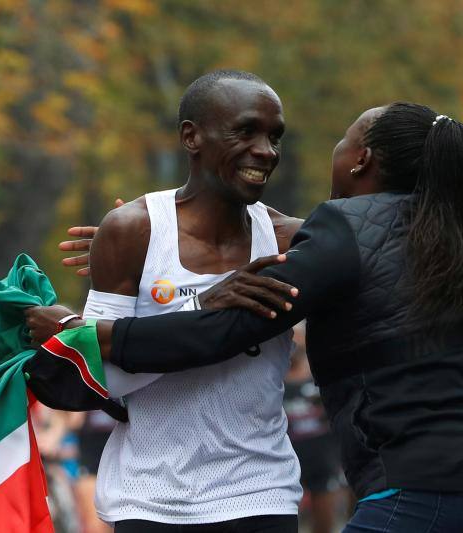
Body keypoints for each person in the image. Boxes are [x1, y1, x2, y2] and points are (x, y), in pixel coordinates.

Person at [28, 102, 463, 532]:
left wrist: (88, 336)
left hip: (420, 488)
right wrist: (148, 242)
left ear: (360, 158)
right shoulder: (450, 235)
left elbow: (229, 327)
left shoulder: (343, 228)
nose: (269, 151)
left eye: (341, 138)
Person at [67, 70, 305, 532]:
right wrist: (202, 312)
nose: (266, 151)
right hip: (150, 500)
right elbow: (101, 383)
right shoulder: (132, 230)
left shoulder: (288, 240)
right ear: (191, 136)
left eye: (275, 137)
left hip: (262, 492)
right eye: (246, 131)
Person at [283, 322, 347, 533]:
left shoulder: (320, 374)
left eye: (298, 336)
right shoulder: (274, 380)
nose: (294, 342)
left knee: (325, 523)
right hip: (286, 465)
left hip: (323, 462)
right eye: (290, 337)